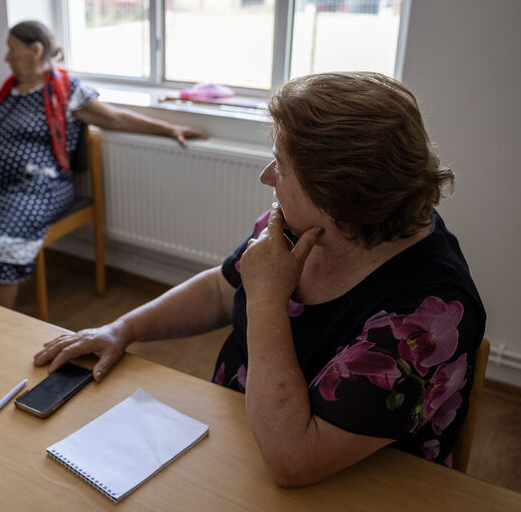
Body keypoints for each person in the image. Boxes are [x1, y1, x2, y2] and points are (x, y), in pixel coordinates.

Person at [33, 72, 486, 487]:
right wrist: (121, 329)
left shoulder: (425, 317)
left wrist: (268, 301)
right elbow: (219, 288)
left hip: (357, 486)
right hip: (241, 443)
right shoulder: (298, 227)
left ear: (341, 199)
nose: (267, 177)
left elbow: (294, 460)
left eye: (282, 167)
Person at [0, 20, 206, 306]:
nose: (6, 57)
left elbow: (114, 118)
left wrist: (169, 129)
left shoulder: (65, 90)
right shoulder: (9, 90)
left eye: (11, 49)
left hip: (38, 188)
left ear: (36, 50)